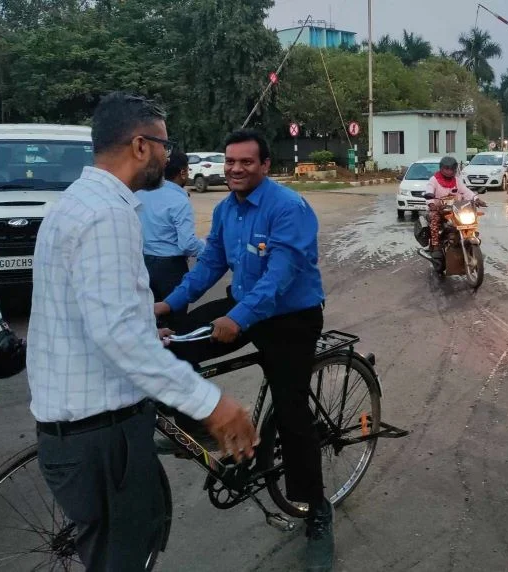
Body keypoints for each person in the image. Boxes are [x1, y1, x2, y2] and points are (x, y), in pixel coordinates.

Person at [27, 92, 257, 570]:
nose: (169, 157)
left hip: (73, 426)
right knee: (124, 556)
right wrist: (212, 403)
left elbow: (85, 316)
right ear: (139, 146)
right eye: (164, 145)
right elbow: (118, 337)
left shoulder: (73, 203)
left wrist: (151, 331)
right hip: (102, 435)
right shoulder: (108, 215)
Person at [152, 129, 333, 569]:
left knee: (292, 415)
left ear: (265, 166)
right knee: (172, 347)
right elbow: (210, 264)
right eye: (230, 161)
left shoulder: (288, 207)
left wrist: (238, 319)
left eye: (246, 162)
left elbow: (281, 275)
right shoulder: (224, 210)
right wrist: (169, 305)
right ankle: (200, 426)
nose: (235, 169)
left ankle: (317, 510)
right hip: (245, 300)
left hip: (290, 316)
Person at [137, 148, 205, 318]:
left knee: (149, 320)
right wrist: (205, 245)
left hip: (143, 264)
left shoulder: (141, 192)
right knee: (176, 323)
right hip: (171, 269)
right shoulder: (179, 200)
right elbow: (187, 245)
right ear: (182, 172)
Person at [425, 156, 483, 257]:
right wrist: (431, 204)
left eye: (452, 169)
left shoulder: (457, 180)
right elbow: (429, 191)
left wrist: (476, 199)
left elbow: (465, 191)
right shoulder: (434, 180)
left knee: (470, 219)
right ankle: (435, 245)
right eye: (446, 169)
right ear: (441, 168)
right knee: (434, 218)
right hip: (439, 209)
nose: (449, 171)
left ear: (455, 170)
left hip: (456, 209)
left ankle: (469, 237)